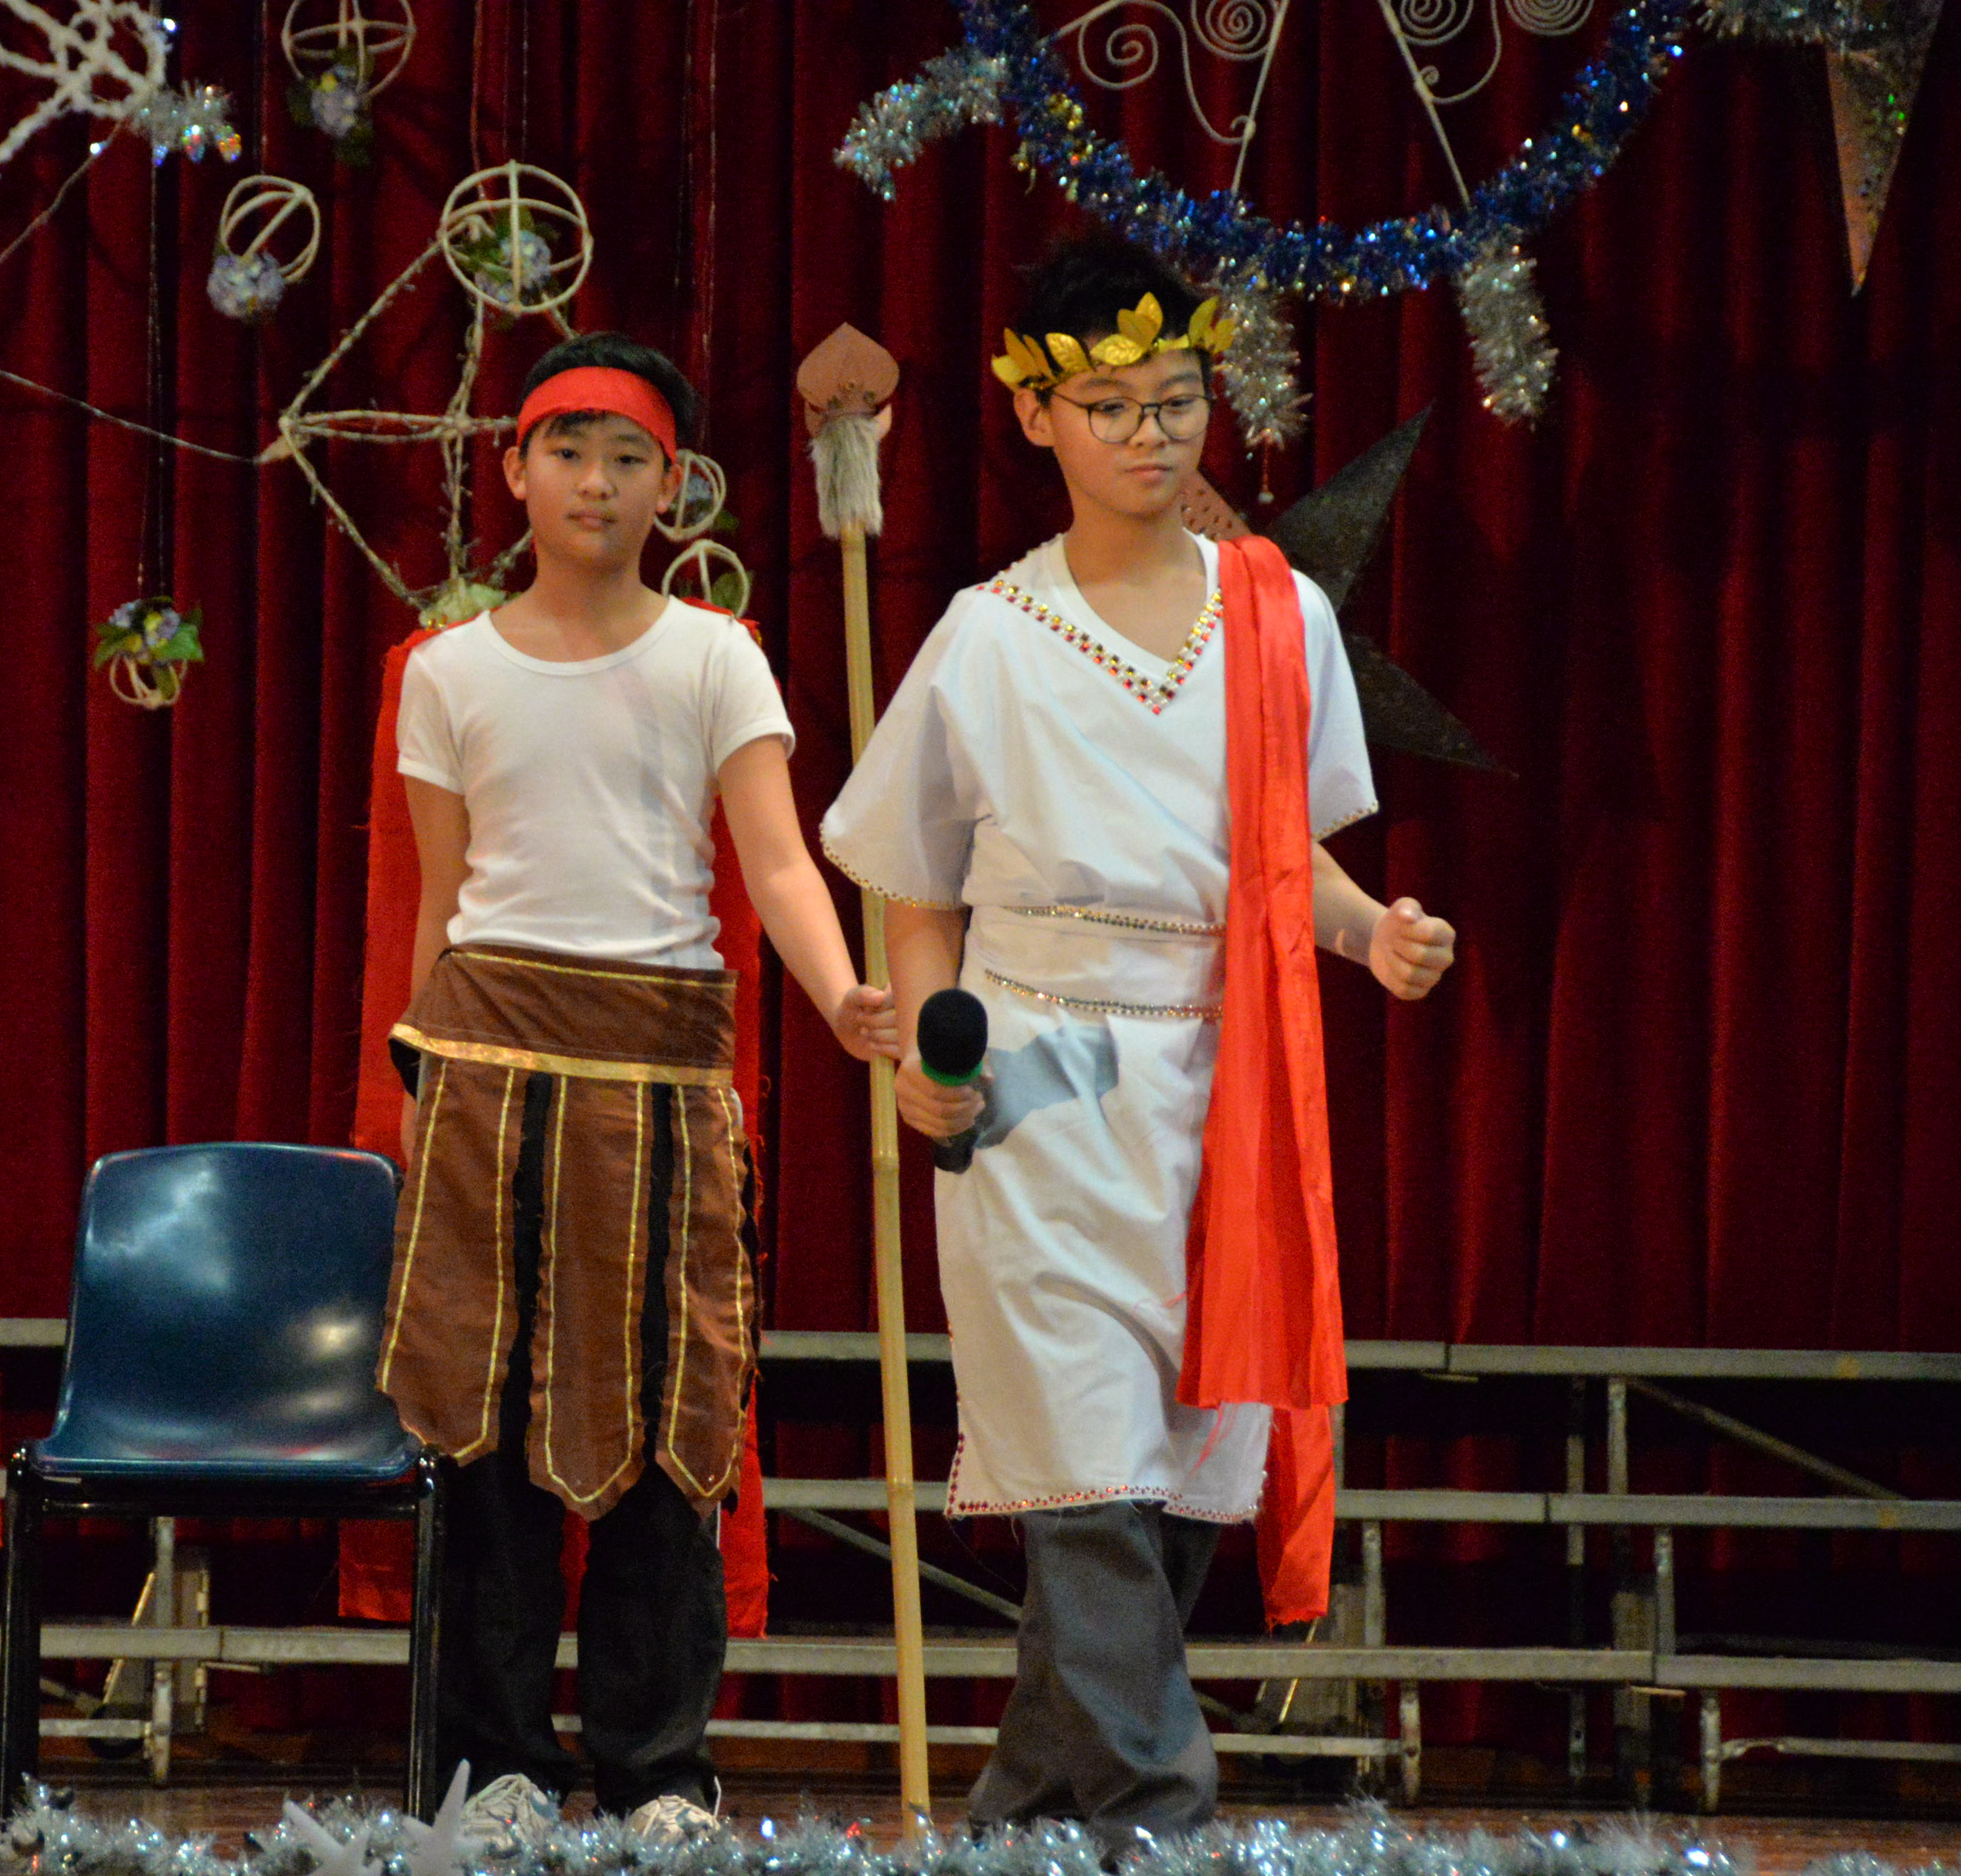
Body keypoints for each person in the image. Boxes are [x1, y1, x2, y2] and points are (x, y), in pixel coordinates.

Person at [820, 237, 1457, 1856]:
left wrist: (1371, 932)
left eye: (1177, 400)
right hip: (1041, 1063)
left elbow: (1289, 866)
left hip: (1224, 1080)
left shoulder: (1280, 615)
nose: (1150, 434)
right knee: (1087, 1479)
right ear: (1037, 415)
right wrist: (932, 1054)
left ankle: (1022, 1820)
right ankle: (1165, 1822)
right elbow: (912, 875)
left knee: (1166, 1495)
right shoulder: (988, 632)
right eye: (1109, 406)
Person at [380, 331, 894, 1850]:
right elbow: (441, 896)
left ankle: (659, 1767)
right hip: (485, 1071)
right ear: (514, 471)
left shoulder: (715, 657)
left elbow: (777, 862)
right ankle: (494, 1764)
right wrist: (415, 1071)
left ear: (671, 485)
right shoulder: (446, 671)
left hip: (660, 1083)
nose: (594, 484)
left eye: (627, 459)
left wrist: (841, 994)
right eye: (567, 451)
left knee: (675, 1422)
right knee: (480, 1428)